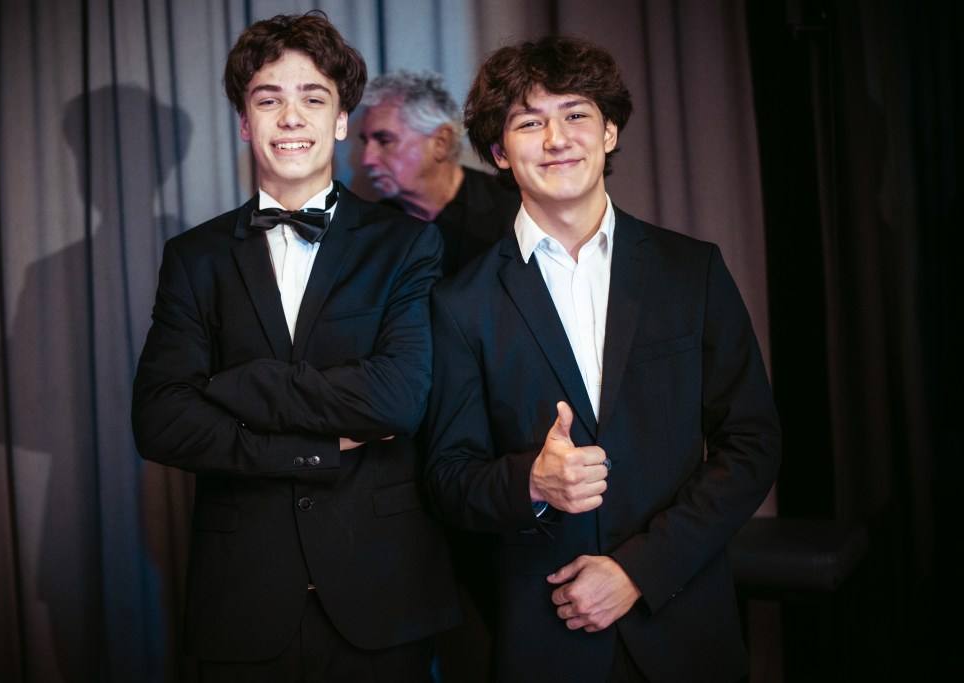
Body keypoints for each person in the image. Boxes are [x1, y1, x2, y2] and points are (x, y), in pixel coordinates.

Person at [424, 35, 782, 683]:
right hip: (545, 636)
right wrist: (532, 482)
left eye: (576, 114)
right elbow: (448, 478)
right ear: (499, 152)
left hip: (685, 625)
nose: (557, 138)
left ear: (610, 131)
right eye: (529, 123)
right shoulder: (460, 303)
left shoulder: (691, 270)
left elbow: (753, 443)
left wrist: (640, 570)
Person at [131, 11, 460, 681]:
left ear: (340, 120)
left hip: (383, 589)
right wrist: (312, 449)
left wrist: (235, 383)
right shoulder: (194, 257)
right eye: (268, 99)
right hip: (244, 593)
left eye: (313, 98)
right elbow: (161, 419)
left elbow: (398, 399)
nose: (290, 118)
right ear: (244, 122)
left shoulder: (407, 244)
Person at [359, 69, 519, 275]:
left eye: (384, 141)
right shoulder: (372, 230)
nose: (367, 160)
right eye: (365, 142)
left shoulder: (513, 210)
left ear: (441, 143)